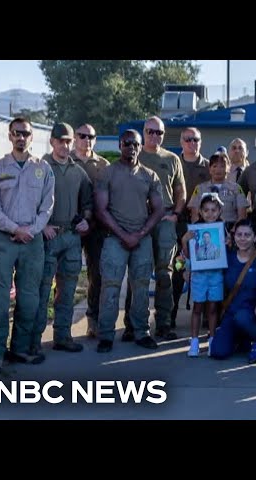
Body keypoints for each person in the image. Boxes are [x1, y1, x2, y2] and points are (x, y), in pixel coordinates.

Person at [0, 117, 54, 374]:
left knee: (29, 299)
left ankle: (20, 349)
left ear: (31, 137)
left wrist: (30, 231)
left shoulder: (44, 169)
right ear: (10, 136)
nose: (21, 137)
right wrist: (15, 229)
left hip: (32, 241)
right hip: (4, 239)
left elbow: (47, 207)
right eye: (16, 133)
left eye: (25, 133)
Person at [94, 129, 164, 353]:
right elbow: (101, 210)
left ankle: (140, 331)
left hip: (141, 239)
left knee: (141, 287)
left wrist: (140, 234)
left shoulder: (149, 175)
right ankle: (105, 335)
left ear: (141, 147)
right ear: (119, 145)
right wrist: (124, 235)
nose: (131, 147)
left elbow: (158, 208)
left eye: (135, 144)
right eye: (127, 143)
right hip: (115, 238)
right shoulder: (108, 173)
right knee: (110, 287)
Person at [31, 123, 92, 356]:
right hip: (48, 236)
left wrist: (86, 220)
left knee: (67, 290)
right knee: (42, 290)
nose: (65, 145)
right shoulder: (40, 167)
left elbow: (87, 202)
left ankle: (62, 336)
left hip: (71, 237)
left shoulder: (78, 171)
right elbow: (30, 201)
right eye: (61, 141)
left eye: (68, 141)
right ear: (52, 142)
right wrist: (42, 225)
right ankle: (34, 340)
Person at [123, 116, 186, 341]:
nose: (154, 136)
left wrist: (176, 214)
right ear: (143, 132)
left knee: (165, 273)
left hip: (165, 220)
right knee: (137, 273)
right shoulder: (134, 156)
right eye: (150, 132)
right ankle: (132, 324)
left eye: (159, 132)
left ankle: (164, 324)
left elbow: (180, 191)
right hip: (138, 220)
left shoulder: (171, 159)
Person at [71, 123, 110, 338]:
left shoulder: (103, 165)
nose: (86, 139)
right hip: (70, 227)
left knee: (97, 275)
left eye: (91, 136)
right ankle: (62, 324)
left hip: (96, 228)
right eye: (82, 135)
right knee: (67, 275)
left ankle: (92, 319)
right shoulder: (64, 160)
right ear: (75, 137)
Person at [209, 218, 256, 361]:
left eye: (247, 235)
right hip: (231, 313)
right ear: (234, 236)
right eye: (239, 235)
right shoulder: (227, 257)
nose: (242, 239)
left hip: (252, 314)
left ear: (255, 237)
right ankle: (242, 340)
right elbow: (206, 267)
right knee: (217, 352)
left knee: (242, 318)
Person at [172, 127, 210, 326]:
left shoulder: (208, 166)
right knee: (178, 266)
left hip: (202, 224)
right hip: (178, 222)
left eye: (195, 139)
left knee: (204, 268)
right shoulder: (172, 162)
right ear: (181, 142)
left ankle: (204, 314)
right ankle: (170, 313)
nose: (192, 143)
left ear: (200, 142)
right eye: (188, 139)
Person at [181, 193, 226, 357]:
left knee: (213, 308)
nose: (210, 213)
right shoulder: (195, 231)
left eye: (214, 210)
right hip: (199, 275)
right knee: (197, 307)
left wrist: (227, 244)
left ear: (220, 211)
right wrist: (184, 241)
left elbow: (225, 253)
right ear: (200, 211)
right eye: (206, 210)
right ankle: (194, 341)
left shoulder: (222, 230)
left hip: (216, 275)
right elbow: (187, 255)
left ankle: (212, 339)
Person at [188, 151, 248, 233]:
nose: (218, 170)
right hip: (205, 230)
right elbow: (194, 215)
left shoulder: (236, 188)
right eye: (214, 166)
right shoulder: (200, 189)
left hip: (230, 229)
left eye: (222, 166)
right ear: (209, 169)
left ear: (228, 168)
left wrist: (234, 232)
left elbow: (242, 215)